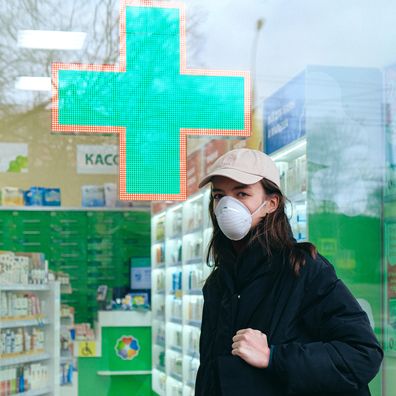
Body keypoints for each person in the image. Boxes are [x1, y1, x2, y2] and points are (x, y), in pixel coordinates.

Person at [194, 148, 383, 396]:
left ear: (271, 203)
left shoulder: (303, 270)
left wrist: (273, 357)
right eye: (219, 196)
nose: (227, 206)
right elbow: (210, 370)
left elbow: (362, 353)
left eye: (242, 193)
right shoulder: (218, 283)